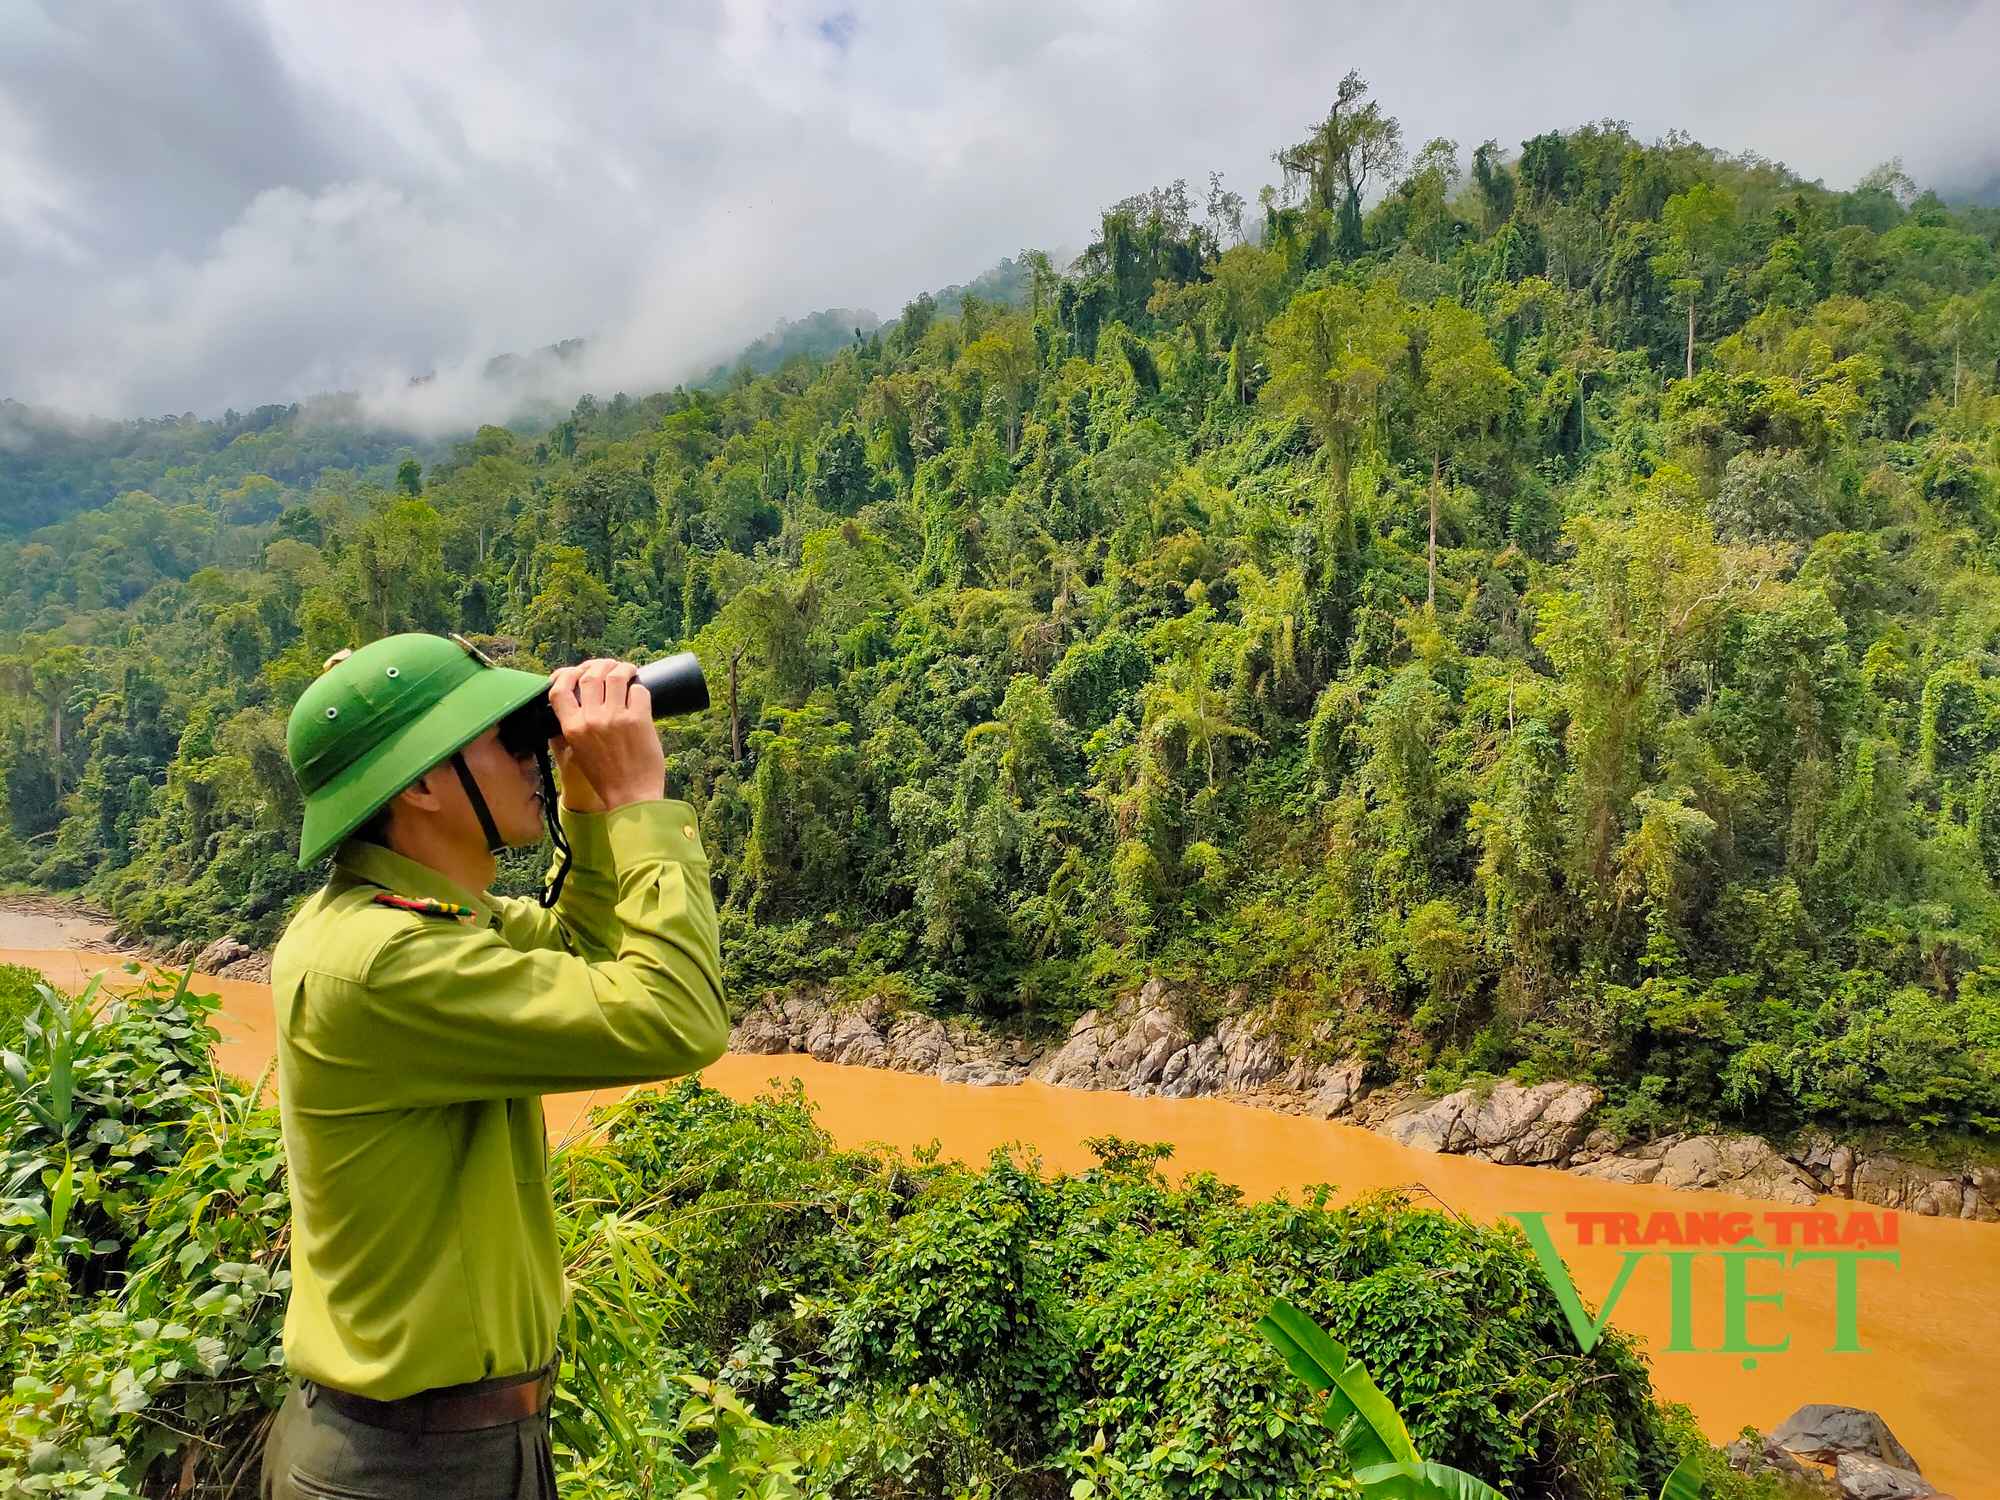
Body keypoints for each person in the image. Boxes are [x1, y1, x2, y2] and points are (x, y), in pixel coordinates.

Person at [261, 633, 729, 1500]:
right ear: (425, 785)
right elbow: (676, 1017)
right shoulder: (386, 962)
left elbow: (592, 948)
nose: (532, 755)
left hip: (445, 1445)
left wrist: (585, 803)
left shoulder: (429, 924)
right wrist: (638, 800)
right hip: (408, 1467)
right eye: (505, 739)